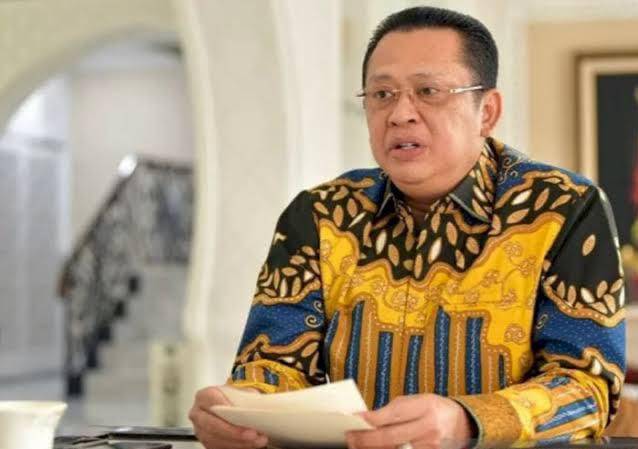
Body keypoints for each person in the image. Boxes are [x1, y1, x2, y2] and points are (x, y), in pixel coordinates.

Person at [189, 6, 626, 449]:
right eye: (381, 94)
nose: (400, 114)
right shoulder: (320, 215)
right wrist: (240, 406)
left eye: (428, 91)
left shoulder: (560, 208)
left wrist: (466, 421)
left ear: (487, 111)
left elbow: (586, 388)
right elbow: (275, 364)